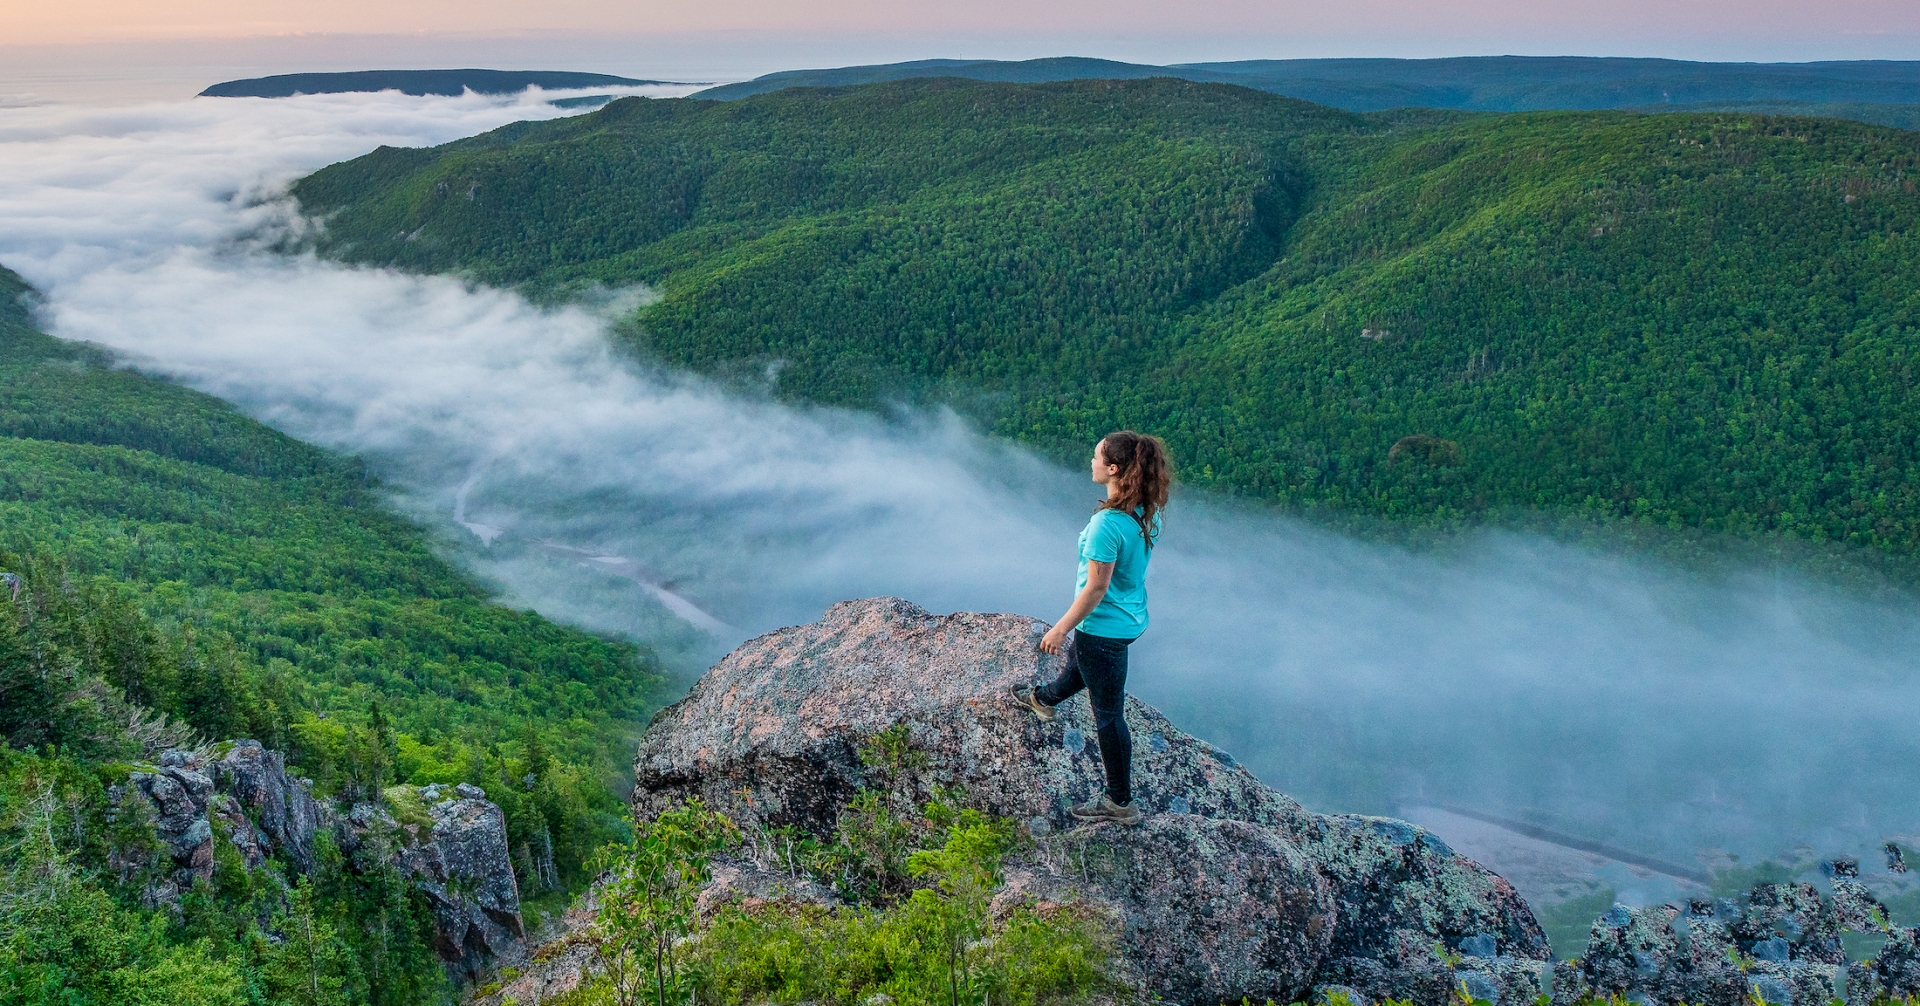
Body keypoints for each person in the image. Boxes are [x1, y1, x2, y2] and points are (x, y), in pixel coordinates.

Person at [1013, 430, 1171, 825]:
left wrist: (1061, 628)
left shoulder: (1106, 526)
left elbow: (1096, 587)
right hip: (1129, 619)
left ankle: (1119, 800)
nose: (1091, 462)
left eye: (1096, 457)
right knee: (1083, 668)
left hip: (1103, 628)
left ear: (1113, 469)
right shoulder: (1143, 513)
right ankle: (1044, 699)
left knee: (1108, 714)